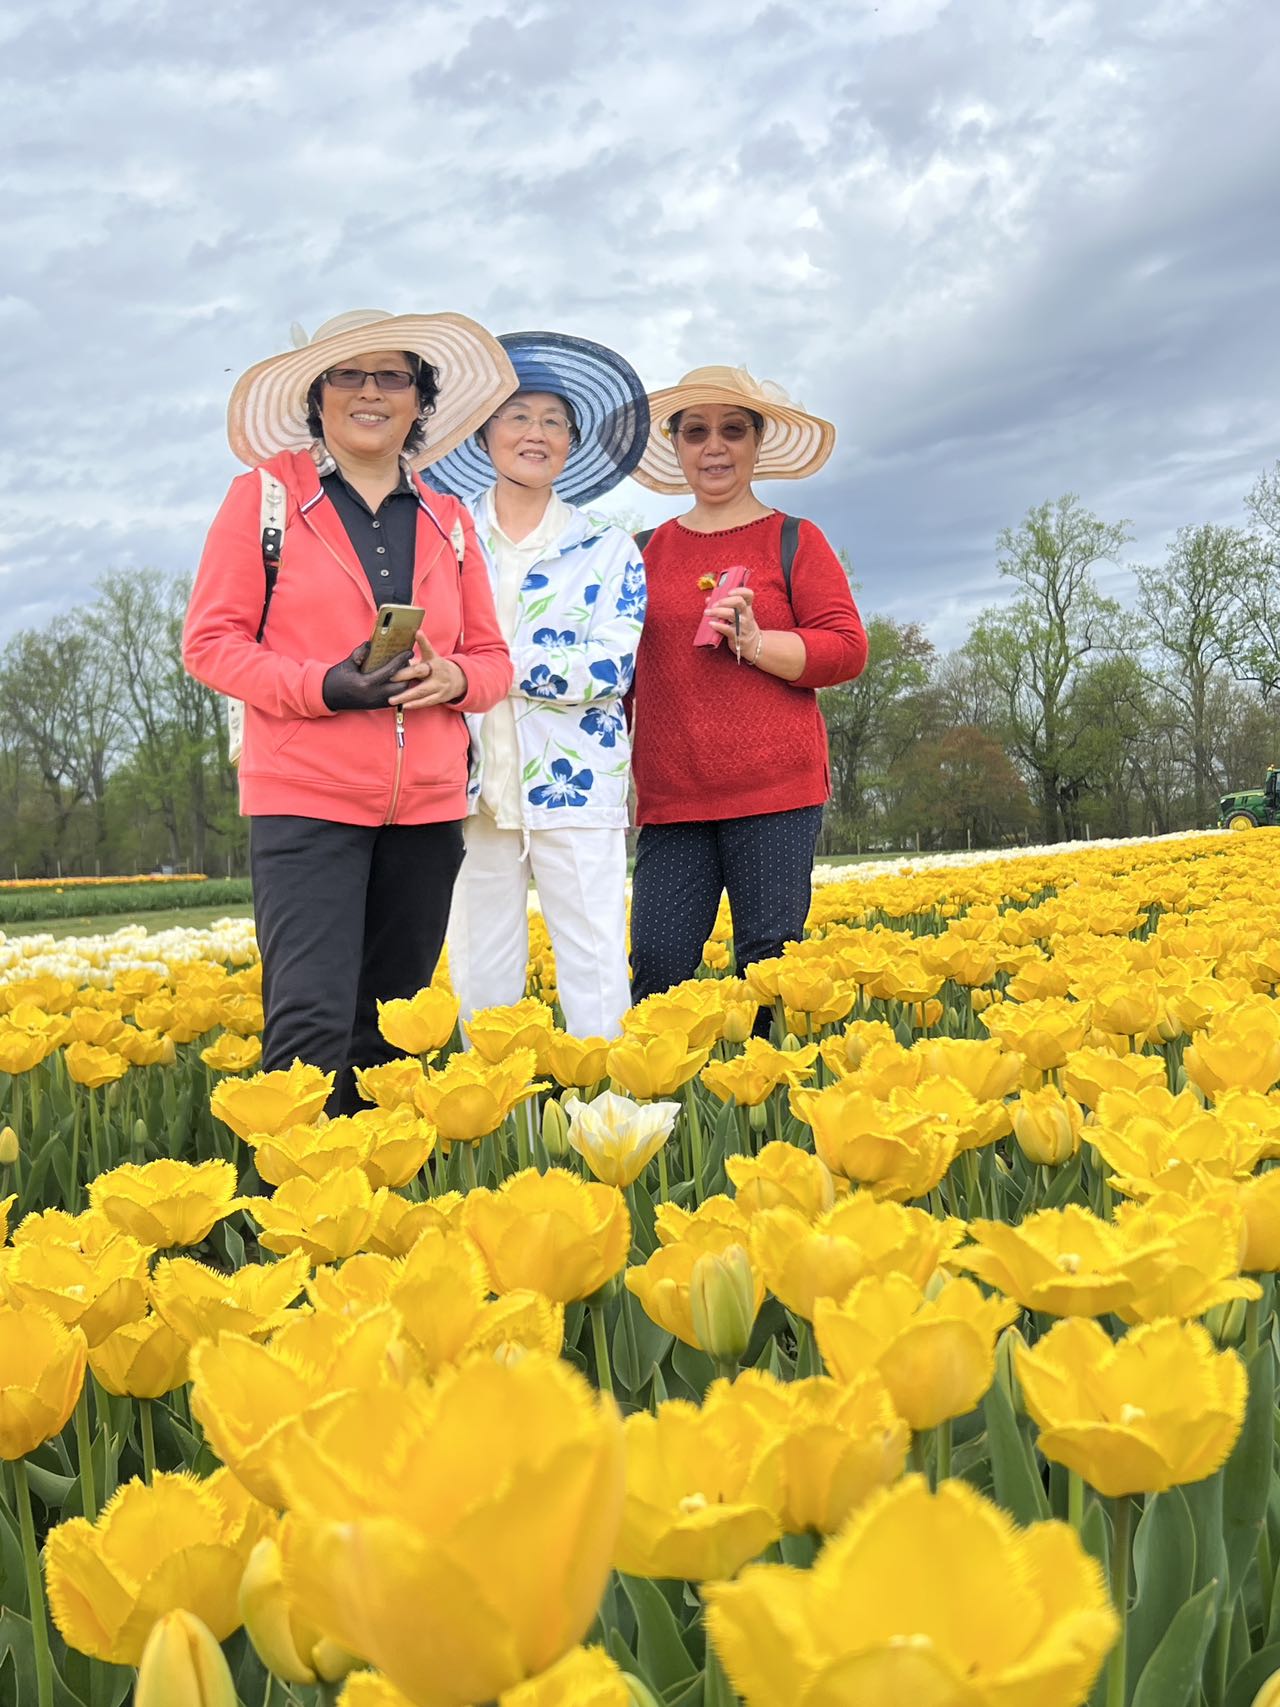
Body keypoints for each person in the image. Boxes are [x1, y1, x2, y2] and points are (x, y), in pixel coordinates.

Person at [183, 308, 517, 1111]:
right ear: (318, 395)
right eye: (349, 375)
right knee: (309, 1026)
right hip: (306, 800)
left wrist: (454, 681)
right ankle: (292, 1228)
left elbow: (494, 662)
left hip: (427, 809)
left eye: (392, 376)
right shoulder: (264, 501)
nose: (371, 392)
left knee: (389, 1036)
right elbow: (211, 644)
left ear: (417, 399)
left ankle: (373, 1220)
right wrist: (324, 685)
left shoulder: (451, 518)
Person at [423, 332, 649, 1040]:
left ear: (571, 443)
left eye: (554, 421)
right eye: (518, 416)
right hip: (471, 789)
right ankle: (502, 1138)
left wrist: (485, 666)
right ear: (486, 433)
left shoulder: (608, 547)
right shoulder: (446, 539)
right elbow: (429, 650)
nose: (536, 433)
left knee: (596, 969)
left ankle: (614, 1129)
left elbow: (611, 667)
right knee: (482, 977)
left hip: (576, 787)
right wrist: (475, 669)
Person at [626, 364, 868, 1008]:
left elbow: (846, 649)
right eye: (696, 432)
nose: (714, 447)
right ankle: (671, 1103)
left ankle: (763, 1098)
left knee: (768, 975)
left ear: (757, 444)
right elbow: (616, 674)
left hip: (774, 794)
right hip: (672, 797)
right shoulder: (642, 552)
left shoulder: (793, 539)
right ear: (675, 446)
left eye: (733, 431)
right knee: (658, 970)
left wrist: (758, 645)